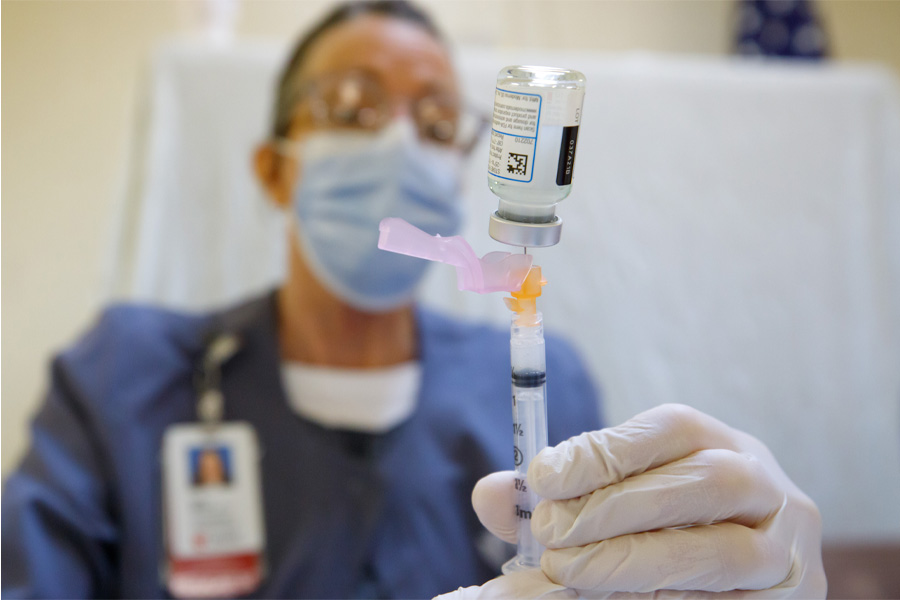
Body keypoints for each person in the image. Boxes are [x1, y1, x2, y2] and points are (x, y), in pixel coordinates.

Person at [1, 1, 826, 599]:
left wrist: (742, 570)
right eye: (353, 108)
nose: (399, 145)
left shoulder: (547, 379)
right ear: (275, 168)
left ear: (466, 169)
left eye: (435, 122)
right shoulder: (125, 375)